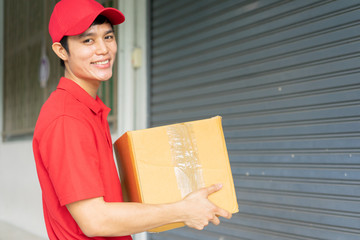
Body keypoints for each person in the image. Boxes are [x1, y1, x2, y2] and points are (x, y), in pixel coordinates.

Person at [33, 0, 232, 239]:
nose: (103, 49)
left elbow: (108, 201)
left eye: (108, 37)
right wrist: (183, 210)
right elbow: (95, 220)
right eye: (88, 40)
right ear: (61, 51)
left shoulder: (88, 109)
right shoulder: (67, 119)